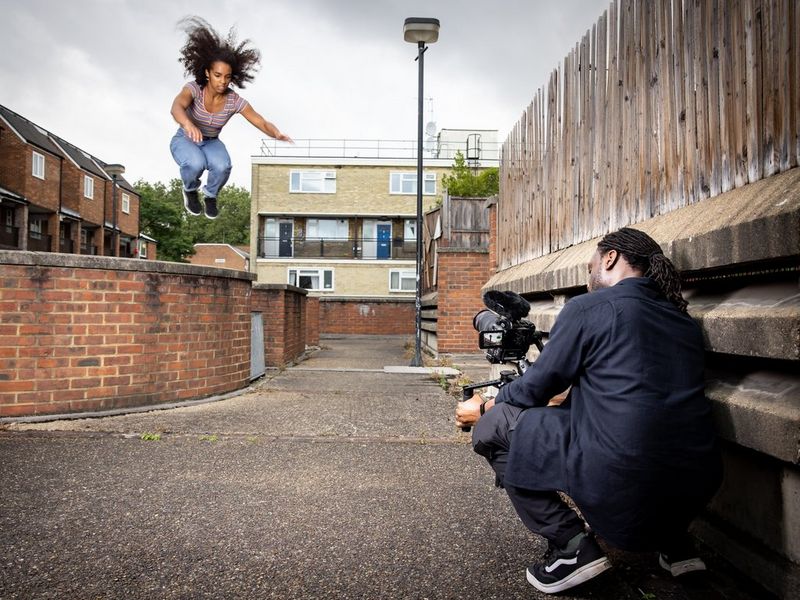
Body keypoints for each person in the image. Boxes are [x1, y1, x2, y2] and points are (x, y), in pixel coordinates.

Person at [455, 227, 722, 594]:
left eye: (590, 263)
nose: (589, 271)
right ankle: (675, 545)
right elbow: (638, 397)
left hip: (623, 477)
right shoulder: (682, 320)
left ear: (610, 258)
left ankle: (571, 549)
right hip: (698, 482)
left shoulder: (589, 307)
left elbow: (534, 388)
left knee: (495, 426)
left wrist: (485, 406)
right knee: (651, 439)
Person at [170, 16, 291, 219]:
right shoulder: (193, 89)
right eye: (217, 75)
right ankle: (190, 190)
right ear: (208, 72)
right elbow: (176, 107)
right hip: (185, 139)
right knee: (195, 164)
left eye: (227, 77)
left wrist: (276, 133)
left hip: (211, 142)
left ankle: (210, 196)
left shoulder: (233, 100)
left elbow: (259, 120)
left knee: (223, 166)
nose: (222, 82)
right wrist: (188, 123)